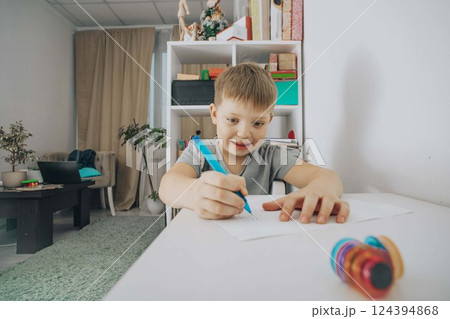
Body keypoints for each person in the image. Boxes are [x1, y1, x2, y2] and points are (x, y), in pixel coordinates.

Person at [160, 62, 350, 224]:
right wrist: (195, 194)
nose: (243, 133)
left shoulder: (274, 154)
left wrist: (321, 188)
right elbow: (167, 186)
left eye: (258, 123)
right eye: (233, 120)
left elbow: (328, 177)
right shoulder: (199, 151)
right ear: (215, 114)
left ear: (269, 120)